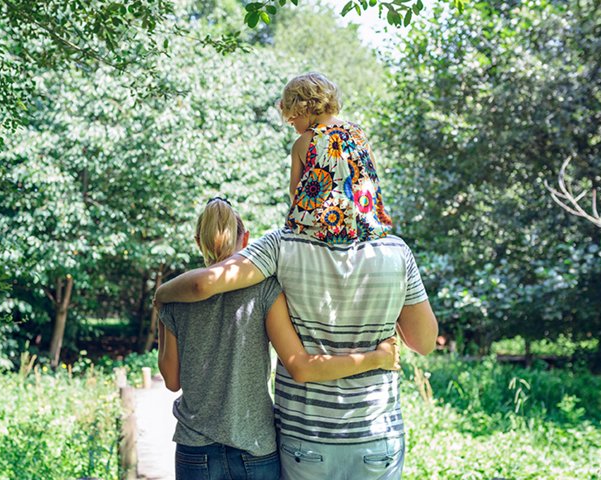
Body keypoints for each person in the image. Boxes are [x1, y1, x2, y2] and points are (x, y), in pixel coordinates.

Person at [156, 72, 439, 480]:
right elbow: (424, 342)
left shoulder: (283, 247)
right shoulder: (396, 252)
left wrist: (162, 293)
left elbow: (205, 283)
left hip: (306, 439)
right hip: (377, 437)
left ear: (312, 170)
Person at [157, 197, 401, 480]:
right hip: (255, 446)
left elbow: (172, 381)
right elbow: (301, 365)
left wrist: (163, 310)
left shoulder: (173, 298)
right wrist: (377, 358)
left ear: (198, 241)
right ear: (245, 238)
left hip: (194, 448)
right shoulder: (264, 291)